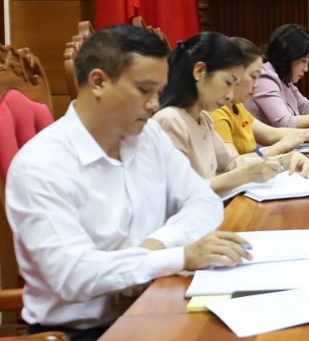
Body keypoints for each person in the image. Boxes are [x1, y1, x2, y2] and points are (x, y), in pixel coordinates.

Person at [5, 25, 251, 340]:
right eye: (144, 89)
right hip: (84, 331)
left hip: (159, 302)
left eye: (158, 91)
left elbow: (203, 200)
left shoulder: (148, 137)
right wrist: (175, 257)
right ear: (98, 82)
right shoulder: (41, 165)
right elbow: (73, 275)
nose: (153, 104)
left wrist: (155, 247)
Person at [153, 32, 309, 198]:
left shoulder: (204, 118)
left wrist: (284, 161)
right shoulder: (170, 120)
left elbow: (233, 164)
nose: (229, 95)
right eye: (228, 83)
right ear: (199, 71)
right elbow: (180, 191)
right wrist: (244, 175)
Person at [212, 37, 309, 155]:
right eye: (253, 77)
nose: (257, 84)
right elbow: (232, 165)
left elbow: (271, 134)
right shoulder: (217, 111)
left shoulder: (237, 106)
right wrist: (283, 149)